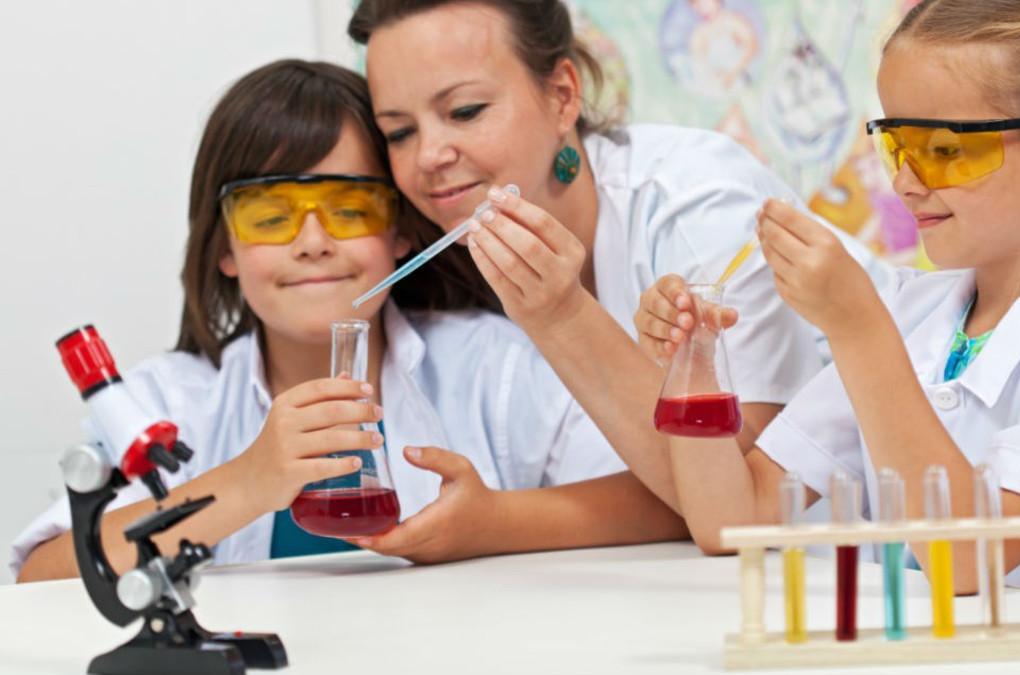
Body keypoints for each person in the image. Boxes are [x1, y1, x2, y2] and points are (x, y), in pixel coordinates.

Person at [13, 59, 685, 582]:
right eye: (270, 214)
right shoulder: (169, 400)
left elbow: (665, 502)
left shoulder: (496, 367)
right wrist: (246, 482)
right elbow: (39, 571)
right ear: (224, 248)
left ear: (399, 231)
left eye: (349, 207)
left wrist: (495, 523)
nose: (312, 241)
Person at [636, 0, 1020, 609]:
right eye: (899, 144)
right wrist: (693, 364)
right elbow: (733, 518)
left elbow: (968, 559)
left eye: (947, 150)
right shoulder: (911, 312)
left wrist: (858, 329)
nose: (906, 181)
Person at [348, 0, 890, 518]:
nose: (428, 157)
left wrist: (494, 521)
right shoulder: (454, 253)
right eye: (399, 132)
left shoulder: (695, 203)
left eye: (465, 111)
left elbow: (733, 496)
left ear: (562, 96)